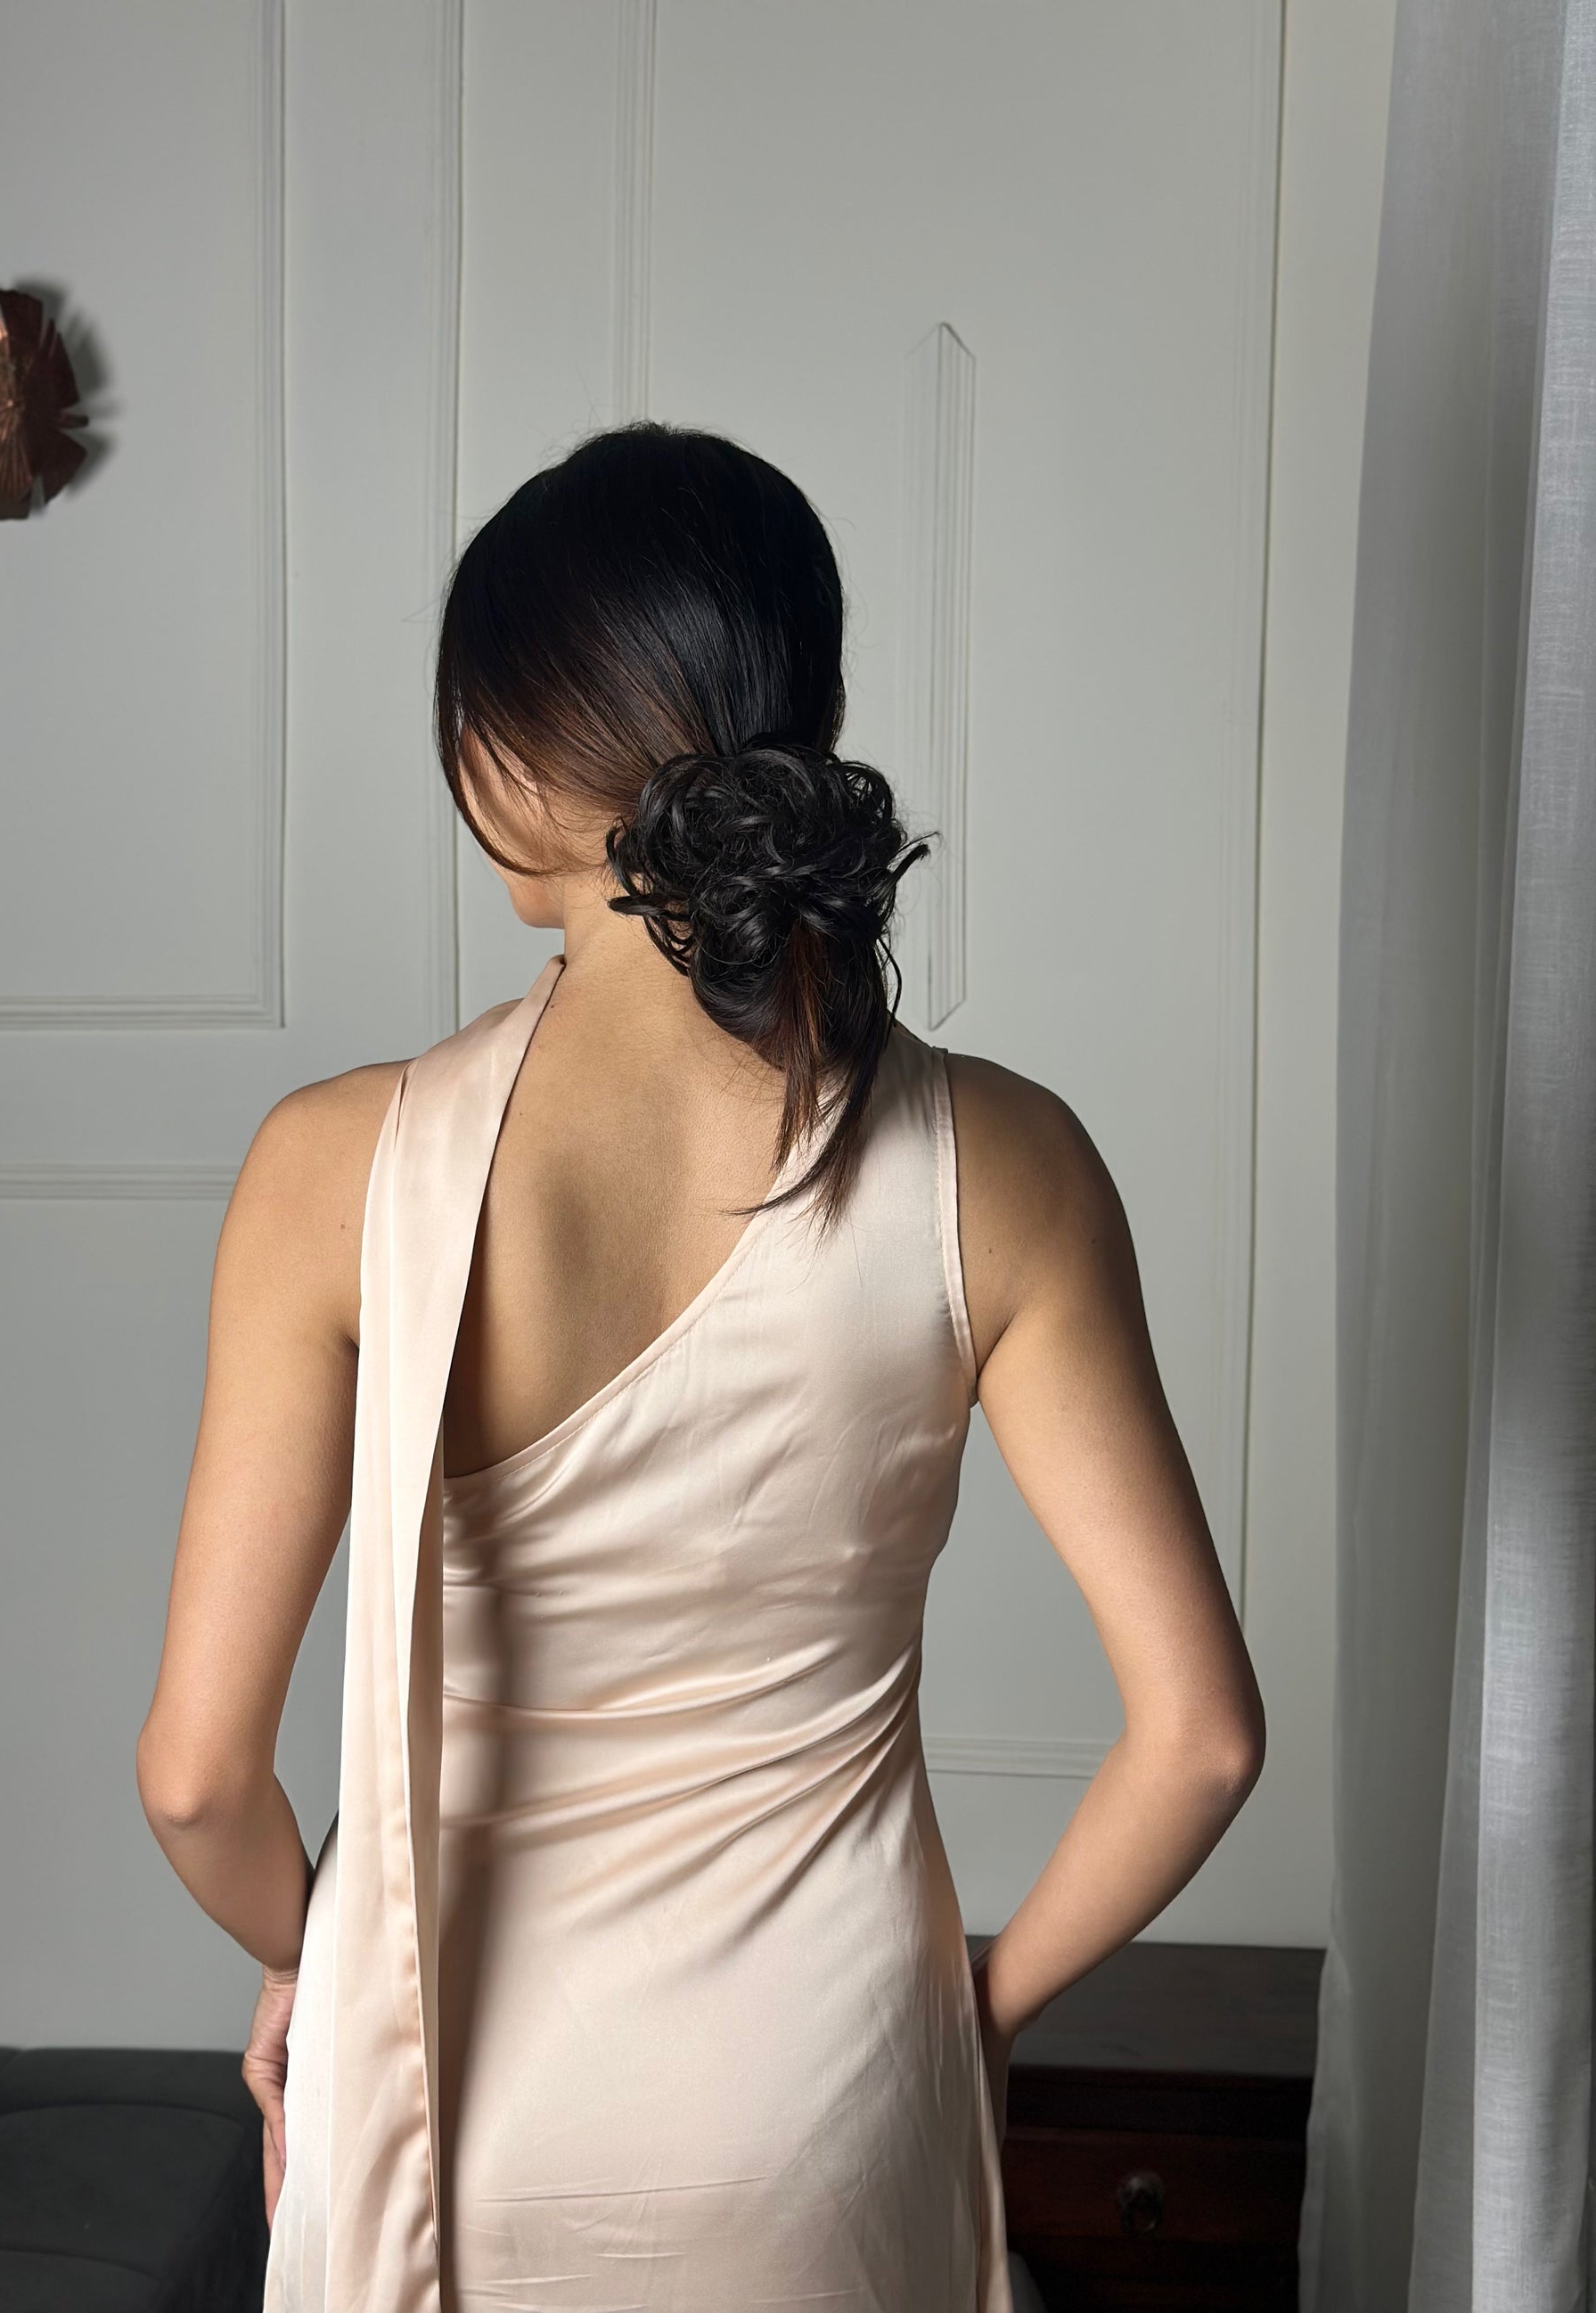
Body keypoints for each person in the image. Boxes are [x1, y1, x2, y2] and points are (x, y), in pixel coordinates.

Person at [136, 421, 1265, 2313]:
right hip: (832, 2092)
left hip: (454, 2090)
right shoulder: (1006, 1162)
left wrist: (306, 1955)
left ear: (506, 756)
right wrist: (971, 2018)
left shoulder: (332, 1168)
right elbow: (1203, 1734)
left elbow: (195, 1780)